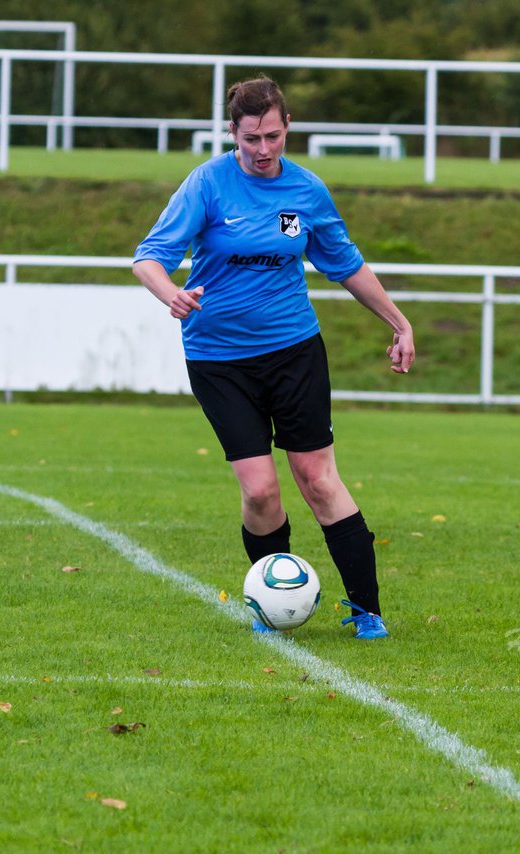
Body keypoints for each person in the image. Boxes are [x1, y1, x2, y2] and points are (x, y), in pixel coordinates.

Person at [133, 75, 416, 639]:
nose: (262, 150)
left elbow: (346, 265)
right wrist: (173, 294)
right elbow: (149, 257)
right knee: (260, 489)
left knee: (317, 478)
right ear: (232, 133)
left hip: (293, 351)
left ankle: (367, 610)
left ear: (287, 128)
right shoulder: (207, 184)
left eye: (272, 137)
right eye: (250, 139)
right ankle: (271, 603)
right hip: (219, 359)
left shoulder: (308, 191)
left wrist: (399, 322)